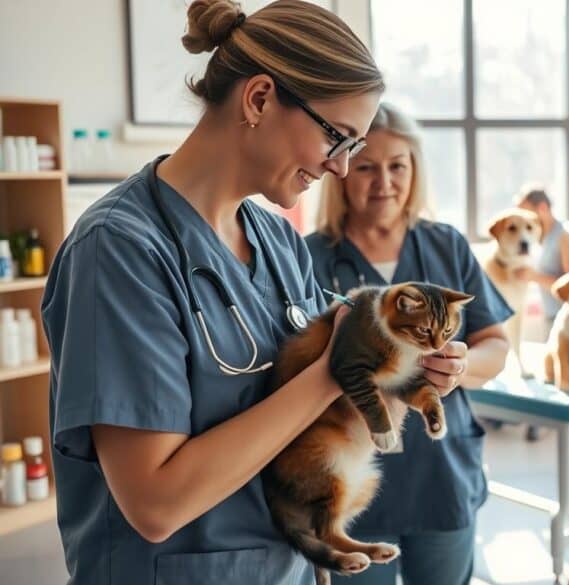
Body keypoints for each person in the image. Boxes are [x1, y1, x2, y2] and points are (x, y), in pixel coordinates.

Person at [40, 2, 397, 583]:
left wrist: (395, 366)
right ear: (258, 99)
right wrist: (334, 370)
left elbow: (307, 426)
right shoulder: (120, 249)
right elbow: (155, 503)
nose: (341, 168)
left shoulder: (278, 241)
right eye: (339, 139)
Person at [305, 102, 512, 585]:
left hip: (441, 478)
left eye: (397, 166)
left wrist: (462, 366)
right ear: (340, 171)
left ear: (414, 170)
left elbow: (495, 344)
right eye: (366, 167)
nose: (384, 182)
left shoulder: (445, 245)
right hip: (351, 484)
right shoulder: (308, 257)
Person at [516, 187, 569, 328]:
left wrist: (534, 276)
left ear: (542, 208)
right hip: (552, 317)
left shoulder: (567, 235)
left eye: (525, 214)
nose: (523, 220)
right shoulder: (542, 237)